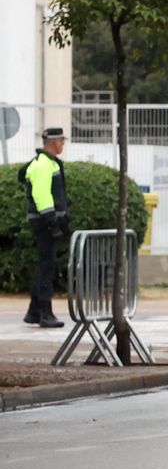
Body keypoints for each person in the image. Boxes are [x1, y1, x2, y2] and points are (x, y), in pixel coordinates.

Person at [18, 128, 71, 328]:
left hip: (45, 221)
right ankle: (45, 314)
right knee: (46, 267)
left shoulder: (48, 163)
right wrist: (52, 222)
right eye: (61, 141)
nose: (63, 145)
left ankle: (34, 311)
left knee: (45, 264)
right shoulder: (43, 165)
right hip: (44, 222)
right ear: (53, 142)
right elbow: (42, 196)